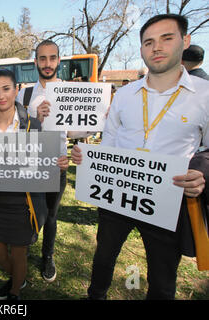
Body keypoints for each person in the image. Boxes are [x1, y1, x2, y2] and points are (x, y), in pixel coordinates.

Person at [71, 14, 208, 300]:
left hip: (166, 201)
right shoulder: (124, 94)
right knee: (103, 259)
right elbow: (109, 139)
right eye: (149, 42)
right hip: (115, 196)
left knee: (162, 278)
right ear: (142, 49)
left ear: (185, 41)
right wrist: (91, 161)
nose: (157, 47)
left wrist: (202, 172)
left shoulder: (205, 95)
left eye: (166, 38)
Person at [0, 69, 69, 300]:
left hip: (24, 202)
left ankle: (15, 291)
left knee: (19, 252)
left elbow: (42, 159)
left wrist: (58, 163)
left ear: (16, 90)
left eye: (6, 89)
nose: (0, 95)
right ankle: (18, 278)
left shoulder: (33, 124)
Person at [16, 40, 68, 283]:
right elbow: (15, 132)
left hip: (58, 165)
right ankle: (22, 252)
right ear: (35, 61)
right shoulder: (25, 93)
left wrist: (101, 118)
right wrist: (35, 119)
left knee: (51, 215)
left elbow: (81, 132)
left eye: (52, 58)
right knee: (28, 212)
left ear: (59, 60)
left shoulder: (71, 92)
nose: (48, 64)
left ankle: (47, 256)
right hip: (30, 163)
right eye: (42, 58)